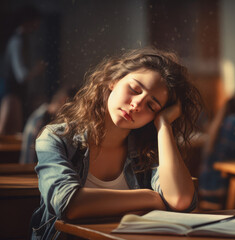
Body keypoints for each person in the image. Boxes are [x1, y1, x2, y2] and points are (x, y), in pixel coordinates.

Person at [30, 48, 202, 239]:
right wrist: (151, 197)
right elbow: (68, 204)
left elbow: (179, 199)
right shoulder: (55, 138)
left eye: (152, 105)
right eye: (135, 89)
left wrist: (163, 125)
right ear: (113, 80)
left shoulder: (147, 150)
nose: (136, 104)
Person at [0, 5, 46, 134]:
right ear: (29, 21)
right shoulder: (17, 41)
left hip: (15, 92)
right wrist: (37, 69)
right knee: (8, 133)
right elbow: (21, 75)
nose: (37, 26)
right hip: (10, 93)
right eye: (36, 22)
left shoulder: (24, 40)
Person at [19, 86, 77, 164]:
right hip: (32, 171)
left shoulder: (47, 117)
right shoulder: (39, 121)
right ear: (64, 101)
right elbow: (30, 160)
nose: (71, 117)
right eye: (72, 109)